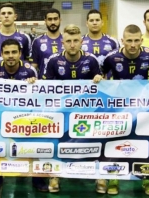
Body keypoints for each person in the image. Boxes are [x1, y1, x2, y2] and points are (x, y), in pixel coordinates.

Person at [98, 24, 149, 195]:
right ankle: (113, 179)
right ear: (122, 41)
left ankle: (146, 178)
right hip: (118, 109)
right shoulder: (112, 57)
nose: (133, 45)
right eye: (129, 41)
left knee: (143, 141)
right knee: (115, 143)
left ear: (141, 40)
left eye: (136, 41)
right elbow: (102, 75)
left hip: (142, 108)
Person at [43, 24, 103, 193]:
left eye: (76, 41)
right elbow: (46, 87)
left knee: (94, 142)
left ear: (81, 41)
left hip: (87, 111)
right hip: (61, 111)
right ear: (62, 42)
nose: (72, 44)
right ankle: (55, 176)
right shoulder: (54, 61)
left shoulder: (91, 60)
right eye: (68, 41)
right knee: (57, 142)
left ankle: (99, 176)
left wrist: (100, 79)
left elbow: (102, 89)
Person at [0, 39, 48, 194]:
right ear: (1, 54)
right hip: (1, 114)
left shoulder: (29, 71)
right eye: (7, 52)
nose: (11, 56)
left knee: (33, 143)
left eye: (14, 52)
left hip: (25, 115)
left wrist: (35, 84)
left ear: (20, 54)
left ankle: (37, 177)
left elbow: (39, 96)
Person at [0, 3, 31, 68]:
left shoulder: (25, 37)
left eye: (9, 13)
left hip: (19, 77)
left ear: (15, 17)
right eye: (3, 13)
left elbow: (27, 59)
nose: (6, 16)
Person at [32, 8, 63, 78]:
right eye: (50, 19)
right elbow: (34, 65)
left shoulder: (67, 40)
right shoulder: (37, 41)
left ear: (60, 20)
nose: (53, 22)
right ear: (45, 21)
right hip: (44, 84)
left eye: (55, 19)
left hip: (63, 84)